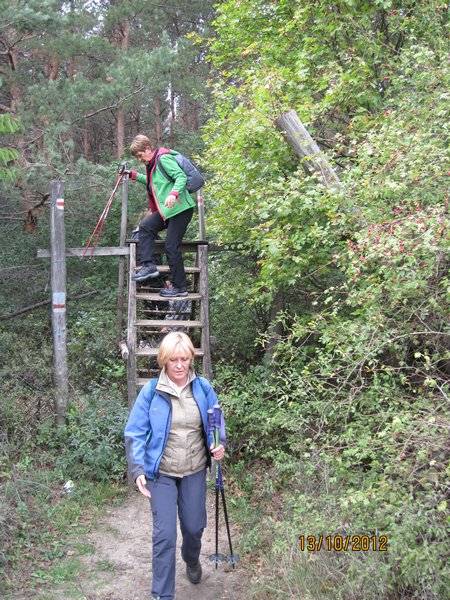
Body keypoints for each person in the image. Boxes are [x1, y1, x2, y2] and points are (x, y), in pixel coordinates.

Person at [124, 332, 226, 600]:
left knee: (194, 528)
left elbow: (215, 420)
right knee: (164, 535)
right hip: (161, 473)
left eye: (184, 359)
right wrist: (137, 469)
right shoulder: (151, 392)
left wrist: (218, 443)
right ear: (164, 360)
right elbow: (134, 432)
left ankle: (191, 559)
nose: (179, 365)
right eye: (173, 360)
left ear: (191, 359)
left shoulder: (203, 388)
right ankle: (162, 594)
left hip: (194, 470)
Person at [128, 135, 196, 298]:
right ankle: (149, 265)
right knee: (145, 226)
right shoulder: (153, 164)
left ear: (147, 149)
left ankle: (180, 287)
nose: (140, 159)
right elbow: (154, 182)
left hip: (181, 209)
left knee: (171, 246)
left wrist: (173, 193)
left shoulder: (163, 159)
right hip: (168, 211)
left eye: (140, 155)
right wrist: (134, 175)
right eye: (137, 157)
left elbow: (180, 176)